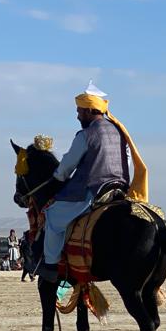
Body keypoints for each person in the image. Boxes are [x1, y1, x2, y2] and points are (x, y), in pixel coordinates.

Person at [35, 81, 148, 283]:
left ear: (88, 110)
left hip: (92, 190)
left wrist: (58, 177)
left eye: (79, 111)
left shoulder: (86, 135)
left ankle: (51, 267)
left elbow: (67, 167)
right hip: (120, 189)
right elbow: (127, 161)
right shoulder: (120, 133)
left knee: (51, 217)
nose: (78, 116)